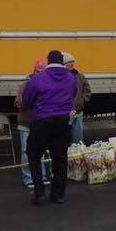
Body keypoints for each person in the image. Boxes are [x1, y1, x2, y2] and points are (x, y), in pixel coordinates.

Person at [21, 50, 77, 205]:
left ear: (48, 61)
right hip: (63, 121)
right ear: (61, 61)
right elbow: (73, 94)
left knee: (34, 154)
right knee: (60, 157)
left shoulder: (38, 78)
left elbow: (26, 100)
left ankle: (39, 192)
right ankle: (58, 194)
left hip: (42, 121)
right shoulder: (71, 78)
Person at [13, 59, 51, 191]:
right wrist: (29, 101)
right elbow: (18, 102)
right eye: (37, 71)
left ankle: (42, 176)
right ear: (34, 71)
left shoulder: (46, 85)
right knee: (26, 152)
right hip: (26, 123)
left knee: (40, 151)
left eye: (42, 72)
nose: (39, 74)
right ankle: (29, 178)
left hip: (40, 122)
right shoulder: (25, 84)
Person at [62, 52, 90, 144]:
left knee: (77, 142)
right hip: (64, 116)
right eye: (69, 62)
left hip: (77, 114)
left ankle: (77, 158)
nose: (72, 64)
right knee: (63, 141)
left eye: (73, 62)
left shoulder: (79, 76)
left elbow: (87, 90)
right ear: (63, 64)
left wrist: (82, 100)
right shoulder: (60, 77)